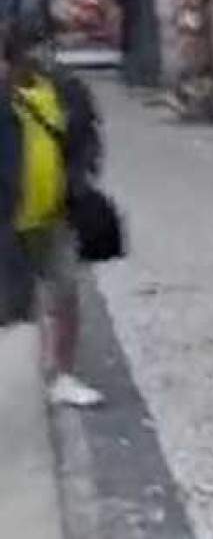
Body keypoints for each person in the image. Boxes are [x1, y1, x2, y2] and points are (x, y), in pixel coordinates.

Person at [5, 26, 103, 406]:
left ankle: (61, 374)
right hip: (6, 221)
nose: (40, 60)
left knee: (64, 293)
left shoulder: (63, 90)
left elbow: (85, 138)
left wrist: (79, 180)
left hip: (52, 214)